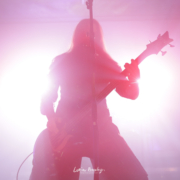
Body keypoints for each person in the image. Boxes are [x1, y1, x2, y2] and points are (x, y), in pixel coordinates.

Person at [30, 19, 148, 180]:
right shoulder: (63, 62)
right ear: (77, 35)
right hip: (67, 131)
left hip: (101, 129)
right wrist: (52, 121)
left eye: (93, 33)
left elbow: (130, 94)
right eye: (84, 32)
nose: (88, 36)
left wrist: (135, 78)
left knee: (135, 176)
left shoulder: (108, 64)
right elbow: (47, 97)